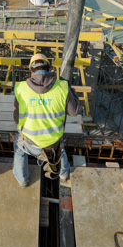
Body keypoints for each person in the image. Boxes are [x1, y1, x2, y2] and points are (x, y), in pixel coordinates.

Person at [12, 53, 79, 187]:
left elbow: (16, 118)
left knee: (19, 149)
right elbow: (74, 112)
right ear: (49, 69)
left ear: (31, 70)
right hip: (53, 143)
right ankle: (64, 175)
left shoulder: (20, 88)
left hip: (30, 143)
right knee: (61, 150)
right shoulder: (63, 87)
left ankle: (23, 180)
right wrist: (71, 92)